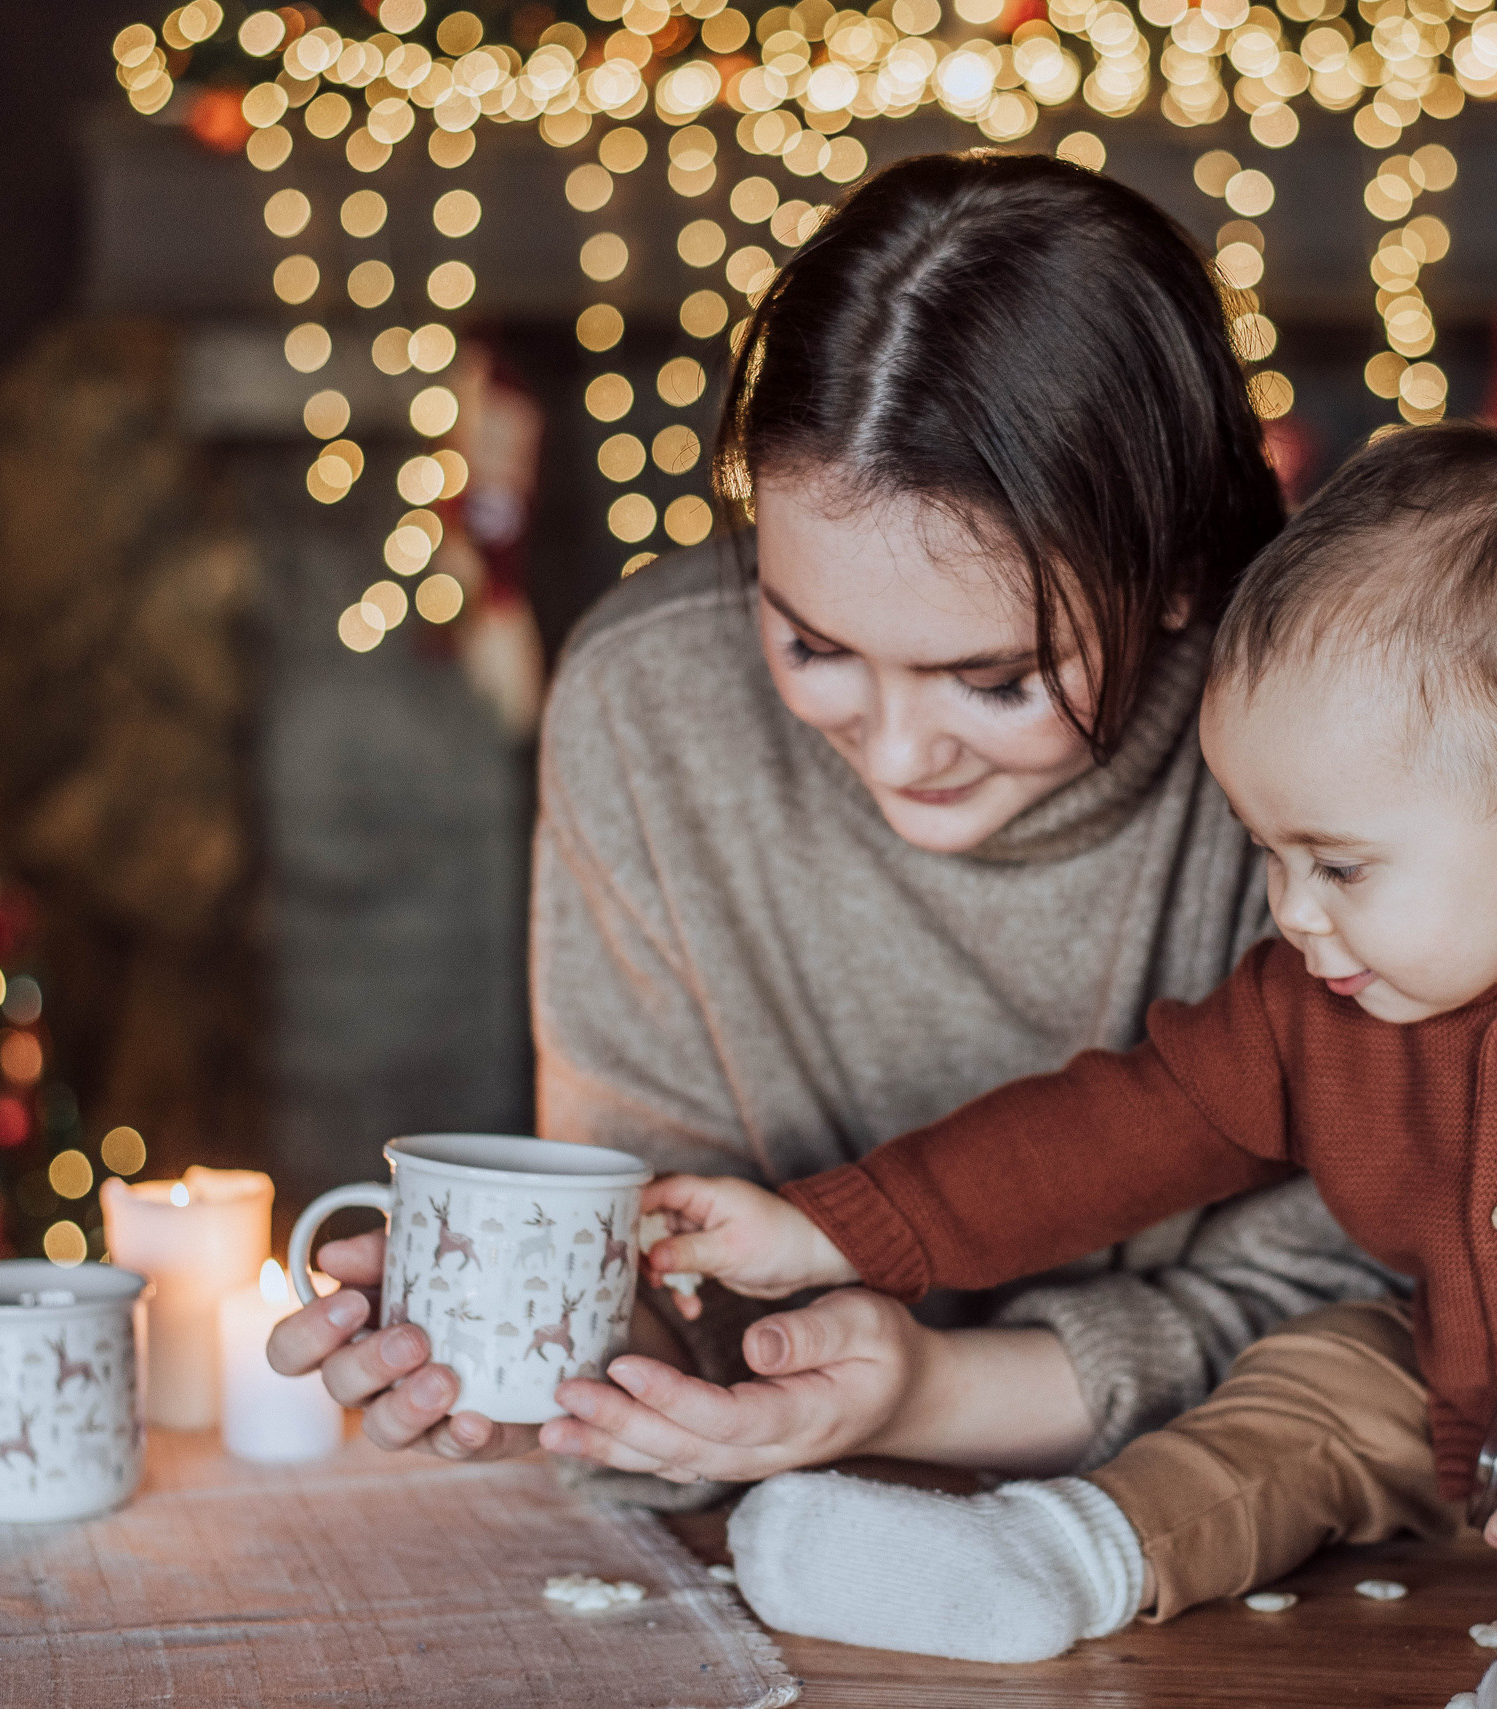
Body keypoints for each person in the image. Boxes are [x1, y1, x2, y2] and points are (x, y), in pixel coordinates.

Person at [641, 424, 1497, 1709]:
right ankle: (1056, 1557)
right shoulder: (1340, 990)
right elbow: (1121, 1127)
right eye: (1269, 852)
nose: (1292, 910)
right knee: (1312, 1379)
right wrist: (834, 1223)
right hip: (1484, 1397)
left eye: (1339, 862)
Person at [267, 152, 1399, 1494]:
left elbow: (1370, 1326)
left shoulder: (1312, 740)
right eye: (813, 644)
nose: (900, 749)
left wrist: (925, 1395)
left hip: (1220, 1534)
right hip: (767, 1534)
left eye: (996, 679)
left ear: (1169, 577)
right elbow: (669, 1277)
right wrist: (547, 1360)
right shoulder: (653, 703)